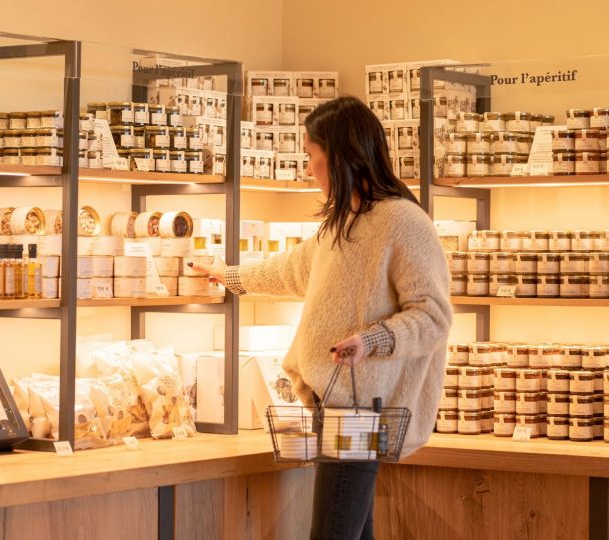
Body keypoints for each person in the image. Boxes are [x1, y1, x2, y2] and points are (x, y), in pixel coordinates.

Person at [189, 96, 452, 540]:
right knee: (350, 531)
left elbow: (433, 317)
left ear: (342, 155)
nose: (308, 169)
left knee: (331, 532)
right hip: (334, 405)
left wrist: (371, 341)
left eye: (312, 157)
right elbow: (291, 271)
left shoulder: (403, 222)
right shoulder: (341, 222)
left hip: (360, 413)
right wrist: (227, 274)